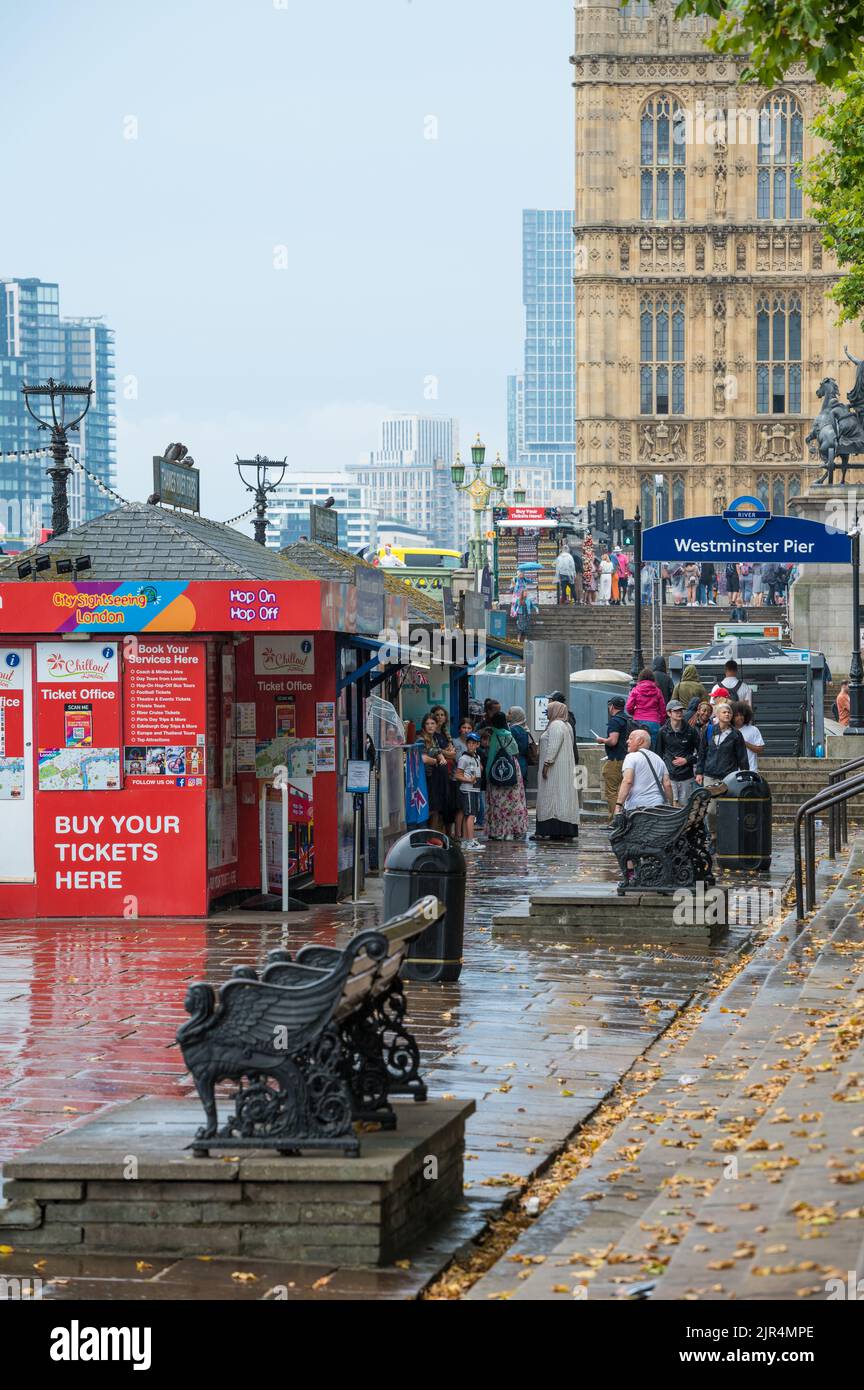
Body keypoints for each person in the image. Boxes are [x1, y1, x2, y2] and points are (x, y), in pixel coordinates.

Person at [534, 700, 581, 840]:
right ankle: (564, 830)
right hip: (563, 770)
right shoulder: (566, 725)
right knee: (562, 797)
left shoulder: (555, 725)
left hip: (554, 771)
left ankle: (551, 828)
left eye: (549, 710)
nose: (546, 712)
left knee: (552, 797)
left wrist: (546, 765)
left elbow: (553, 746)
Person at [484, 712, 528, 841]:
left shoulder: (494, 736)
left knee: (498, 804)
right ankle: (514, 830)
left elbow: (491, 755)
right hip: (512, 769)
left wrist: (488, 773)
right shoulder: (509, 734)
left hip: (497, 770)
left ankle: (499, 831)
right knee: (513, 802)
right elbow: (515, 751)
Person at [615, 728, 673, 813]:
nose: (627, 741)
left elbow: (627, 781)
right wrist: (670, 806)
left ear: (640, 741)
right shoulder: (659, 759)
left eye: (631, 738)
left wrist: (618, 805)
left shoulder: (631, 757)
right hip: (658, 807)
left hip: (637, 808)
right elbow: (667, 785)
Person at [696, 700, 749, 790]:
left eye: (729, 713)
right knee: (710, 803)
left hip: (728, 778)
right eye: (724, 712)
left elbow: (742, 757)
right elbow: (702, 753)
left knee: (726, 803)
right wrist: (699, 772)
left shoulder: (736, 734)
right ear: (717, 715)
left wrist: (745, 775)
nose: (727, 714)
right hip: (710, 776)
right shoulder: (709, 730)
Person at [657, 700, 700, 806]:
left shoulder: (691, 731)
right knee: (670, 807)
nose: (679, 713)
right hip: (669, 776)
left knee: (685, 807)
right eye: (676, 711)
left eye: (681, 710)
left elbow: (701, 753)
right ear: (669, 713)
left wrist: (686, 760)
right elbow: (658, 755)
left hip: (686, 776)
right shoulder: (662, 731)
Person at [597, 694, 629, 817]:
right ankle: (624, 819)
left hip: (616, 759)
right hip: (627, 759)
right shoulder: (627, 719)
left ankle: (614, 819)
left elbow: (613, 741)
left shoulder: (615, 721)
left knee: (612, 791)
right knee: (624, 790)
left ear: (612, 707)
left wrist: (602, 740)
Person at [419, 712, 450, 830]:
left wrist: (441, 756)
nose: (430, 726)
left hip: (434, 779)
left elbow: (437, 751)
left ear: (436, 725)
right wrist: (435, 761)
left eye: (432, 723)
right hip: (424, 779)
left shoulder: (434, 739)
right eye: (427, 724)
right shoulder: (421, 739)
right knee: (429, 809)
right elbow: (423, 758)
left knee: (436, 809)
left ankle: (432, 835)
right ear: (424, 726)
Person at [625, 667, 668, 749]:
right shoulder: (657, 691)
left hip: (638, 722)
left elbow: (629, 707)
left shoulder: (636, 690)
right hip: (654, 722)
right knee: (653, 749)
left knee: (638, 749)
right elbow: (663, 710)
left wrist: (635, 713)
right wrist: (661, 722)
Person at [454, 731, 483, 846]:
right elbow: (458, 774)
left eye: (474, 743)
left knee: (471, 815)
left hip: (475, 789)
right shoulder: (464, 758)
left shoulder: (477, 757)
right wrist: (469, 780)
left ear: (477, 745)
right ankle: (470, 840)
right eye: (469, 743)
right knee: (470, 815)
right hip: (468, 789)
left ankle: (467, 839)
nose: (471, 745)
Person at [733, 701, 765, 771]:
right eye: (737, 715)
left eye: (742, 715)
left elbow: (760, 749)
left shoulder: (753, 729)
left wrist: (744, 743)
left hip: (750, 771)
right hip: (731, 772)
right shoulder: (728, 730)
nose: (740, 717)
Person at [548, 692, 579, 759]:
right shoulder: (566, 716)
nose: (548, 704)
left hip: (565, 757)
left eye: (550, 701)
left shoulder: (563, 719)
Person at [506, 705, 533, 782]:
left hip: (515, 762)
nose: (507, 715)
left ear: (515, 716)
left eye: (510, 713)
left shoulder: (513, 730)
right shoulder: (524, 728)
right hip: (523, 762)